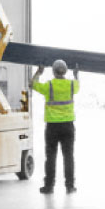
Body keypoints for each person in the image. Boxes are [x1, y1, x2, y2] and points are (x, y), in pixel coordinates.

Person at [31, 58, 80, 194]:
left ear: (53, 72)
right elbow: (78, 84)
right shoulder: (71, 85)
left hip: (53, 127)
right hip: (68, 126)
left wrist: (38, 72)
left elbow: (33, 85)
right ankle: (70, 186)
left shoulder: (49, 86)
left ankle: (49, 186)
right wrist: (76, 74)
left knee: (51, 156)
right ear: (65, 71)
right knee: (68, 156)